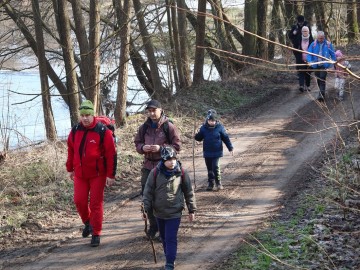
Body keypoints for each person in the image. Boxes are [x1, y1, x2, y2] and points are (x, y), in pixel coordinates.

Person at [66, 100, 117, 247]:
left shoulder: (102, 131)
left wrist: (111, 175)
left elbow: (111, 154)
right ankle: (88, 222)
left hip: (98, 174)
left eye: (88, 115)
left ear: (92, 115)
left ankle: (96, 233)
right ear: (80, 116)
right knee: (79, 201)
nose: (85, 118)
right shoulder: (75, 130)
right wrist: (70, 168)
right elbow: (71, 150)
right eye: (83, 115)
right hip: (80, 174)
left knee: (96, 203)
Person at [142, 146, 196, 270]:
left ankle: (170, 263)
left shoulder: (181, 172)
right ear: (163, 160)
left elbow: (189, 192)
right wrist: (145, 209)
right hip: (159, 213)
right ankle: (169, 257)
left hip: (174, 212)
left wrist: (191, 209)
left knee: (171, 238)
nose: (172, 162)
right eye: (169, 160)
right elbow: (148, 192)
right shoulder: (154, 173)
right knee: (164, 238)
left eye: (174, 159)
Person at [134, 99, 181, 240]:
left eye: (154, 110)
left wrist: (161, 149)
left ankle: (163, 229)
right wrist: (143, 148)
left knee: (163, 198)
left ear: (161, 110)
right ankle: (153, 226)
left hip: (164, 166)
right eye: (149, 111)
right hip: (148, 166)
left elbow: (177, 146)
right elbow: (137, 143)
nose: (152, 113)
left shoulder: (169, 126)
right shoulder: (144, 128)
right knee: (147, 197)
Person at [194, 109, 234, 191]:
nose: (212, 122)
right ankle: (211, 183)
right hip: (207, 152)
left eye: (213, 120)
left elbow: (226, 138)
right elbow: (199, 138)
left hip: (217, 152)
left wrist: (230, 148)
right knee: (209, 168)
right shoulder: (203, 128)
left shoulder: (220, 128)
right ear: (207, 120)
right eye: (210, 120)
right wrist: (195, 135)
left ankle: (218, 182)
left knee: (215, 167)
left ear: (216, 120)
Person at [306, 31, 336, 101]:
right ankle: (321, 92)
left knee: (322, 78)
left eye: (322, 38)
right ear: (317, 37)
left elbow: (333, 54)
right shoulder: (313, 44)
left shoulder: (328, 44)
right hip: (316, 65)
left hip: (324, 65)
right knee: (318, 79)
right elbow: (309, 54)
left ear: (324, 37)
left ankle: (321, 94)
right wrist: (310, 62)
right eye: (319, 38)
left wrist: (333, 63)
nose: (321, 40)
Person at [288, 16, 313, 92]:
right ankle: (301, 85)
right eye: (299, 22)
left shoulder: (307, 26)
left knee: (308, 70)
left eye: (302, 22)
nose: (301, 24)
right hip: (298, 50)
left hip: (308, 52)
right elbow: (290, 36)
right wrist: (293, 32)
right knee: (301, 69)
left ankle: (308, 85)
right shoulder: (295, 27)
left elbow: (311, 39)